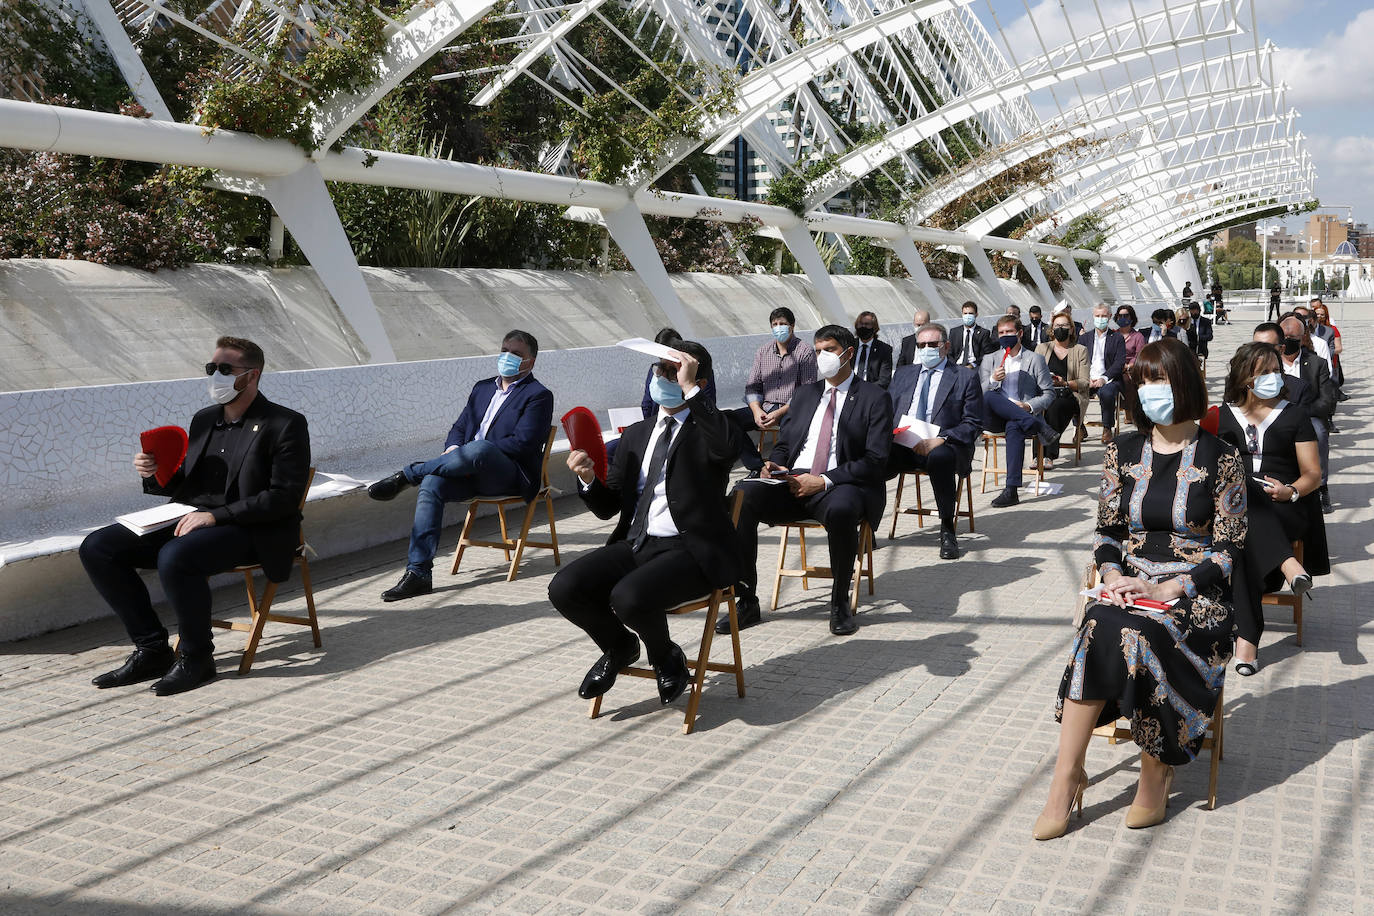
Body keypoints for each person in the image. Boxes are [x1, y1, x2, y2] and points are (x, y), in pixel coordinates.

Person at [1034, 338, 1246, 840]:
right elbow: (1107, 532)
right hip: (1128, 583)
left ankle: (1156, 769)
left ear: (1185, 385)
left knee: (1138, 631)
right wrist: (1111, 577)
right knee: (1102, 622)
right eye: (1145, 381)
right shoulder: (1121, 451)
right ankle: (1066, 777)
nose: (1152, 391)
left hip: (1196, 596)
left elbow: (1229, 548)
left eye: (1162, 380)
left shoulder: (1223, 457)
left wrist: (1176, 586)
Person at [79, 337, 311, 696]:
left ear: (252, 376)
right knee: (98, 547)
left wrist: (217, 517)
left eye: (224, 369)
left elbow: (284, 498)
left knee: (177, 555)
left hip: (251, 527)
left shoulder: (284, 424)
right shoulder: (204, 420)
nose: (214, 375)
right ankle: (153, 649)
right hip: (192, 517)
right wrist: (152, 472)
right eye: (210, 368)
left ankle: (197, 657)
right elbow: (185, 485)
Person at [549, 342, 743, 706]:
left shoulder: (711, 427)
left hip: (692, 551)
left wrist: (691, 390)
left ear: (696, 378)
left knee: (628, 597)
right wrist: (589, 478)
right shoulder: (636, 434)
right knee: (565, 587)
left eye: (674, 371)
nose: (662, 377)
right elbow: (609, 508)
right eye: (660, 369)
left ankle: (664, 656)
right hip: (638, 543)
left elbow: (728, 449)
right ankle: (620, 645)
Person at [728, 325, 893, 637]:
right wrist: (774, 462)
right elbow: (787, 445)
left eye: (829, 350)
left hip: (841, 484)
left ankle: (839, 602)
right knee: (742, 495)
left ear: (848, 353)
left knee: (843, 510)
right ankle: (746, 599)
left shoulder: (875, 397)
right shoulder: (806, 394)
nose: (822, 357)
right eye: (818, 351)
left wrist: (825, 480)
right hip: (792, 481)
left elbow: (875, 461)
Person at [368, 330, 554, 600]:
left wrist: (475, 452)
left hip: (507, 474)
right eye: (504, 350)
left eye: (516, 354)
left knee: (480, 448)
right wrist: (455, 450)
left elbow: (522, 444)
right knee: (432, 483)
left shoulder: (538, 395)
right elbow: (459, 427)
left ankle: (407, 475)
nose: (507, 357)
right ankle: (419, 573)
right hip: (466, 470)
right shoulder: (482, 388)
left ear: (531, 362)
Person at [1216, 343, 1326, 675]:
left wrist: (1291, 491)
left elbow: (1313, 474)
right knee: (1244, 492)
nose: (1273, 378)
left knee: (1246, 521)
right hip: (1234, 507)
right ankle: (1288, 565)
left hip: (1285, 506)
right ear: (1245, 377)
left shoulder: (1294, 413)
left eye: (1276, 371)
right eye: (1264, 372)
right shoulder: (1220, 415)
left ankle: (1246, 642)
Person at [887, 323, 984, 559]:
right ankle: (867, 525)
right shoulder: (903, 374)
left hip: (944, 445)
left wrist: (942, 438)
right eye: (922, 345)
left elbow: (973, 423)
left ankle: (947, 527)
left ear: (946, 346)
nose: (926, 349)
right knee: (870, 456)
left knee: (940, 458)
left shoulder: (965, 376)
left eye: (933, 344)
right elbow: (886, 411)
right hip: (904, 442)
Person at [979, 315, 1058, 508]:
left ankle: (1011, 490)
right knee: (990, 396)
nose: (1005, 336)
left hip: (1022, 417)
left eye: (1009, 332)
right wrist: (991, 381)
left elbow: (1049, 393)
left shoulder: (1035, 359)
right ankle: (1040, 426)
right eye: (1001, 333)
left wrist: (1029, 406)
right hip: (994, 417)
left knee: (1014, 426)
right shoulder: (990, 360)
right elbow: (977, 394)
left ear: (1020, 333)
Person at [734, 307, 818, 470]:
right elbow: (752, 386)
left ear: (792, 326)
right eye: (775, 324)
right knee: (728, 421)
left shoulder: (805, 351)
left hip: (791, 409)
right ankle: (757, 467)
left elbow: (806, 391)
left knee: (791, 432)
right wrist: (757, 411)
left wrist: (779, 412)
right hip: (765, 407)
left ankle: (778, 468)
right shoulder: (763, 351)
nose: (778, 327)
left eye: (783, 324)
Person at [1276, 313, 1337, 513]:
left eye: (1292, 338)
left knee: (1319, 433)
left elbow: (1327, 400)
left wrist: (1299, 413)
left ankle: (1321, 486)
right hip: (1274, 413)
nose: (1286, 343)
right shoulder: (1270, 363)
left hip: (1307, 415)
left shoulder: (1316, 363)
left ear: (1302, 339)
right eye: (1283, 337)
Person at [1035, 311, 1088, 468]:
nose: (1060, 328)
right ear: (1052, 329)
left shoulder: (1080, 350)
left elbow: (1084, 382)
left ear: (1071, 329)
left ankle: (1047, 455)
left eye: (1064, 325)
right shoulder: (1041, 348)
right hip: (1045, 393)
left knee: (1055, 406)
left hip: (1070, 395)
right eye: (1057, 326)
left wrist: (1064, 383)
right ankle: (1038, 455)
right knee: (1038, 406)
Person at [639, 327, 715, 417]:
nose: (663, 376)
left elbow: (709, 404)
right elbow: (647, 404)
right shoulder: (655, 370)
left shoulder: (698, 369)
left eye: (673, 372)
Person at [1080, 304, 1127, 443]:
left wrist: (1104, 378)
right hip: (1087, 378)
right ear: (1093, 317)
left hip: (1109, 379)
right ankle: (1080, 427)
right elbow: (1078, 361)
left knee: (1107, 393)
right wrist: (1086, 378)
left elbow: (1119, 362)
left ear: (1110, 317)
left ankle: (1107, 427)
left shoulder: (1117, 338)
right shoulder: (1084, 338)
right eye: (1097, 316)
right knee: (1073, 394)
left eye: (1104, 316)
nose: (1100, 319)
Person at [853, 311, 894, 389]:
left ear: (874, 328)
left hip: (870, 390)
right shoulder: (849, 345)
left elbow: (884, 379)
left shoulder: (884, 349)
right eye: (860, 324)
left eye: (867, 324)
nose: (863, 327)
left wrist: (865, 389)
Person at [950, 301, 995, 370]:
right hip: (956, 366)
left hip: (974, 367)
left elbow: (986, 354)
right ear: (962, 314)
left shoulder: (984, 333)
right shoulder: (954, 332)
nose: (967, 316)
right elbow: (949, 353)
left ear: (976, 314)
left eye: (970, 313)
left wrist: (973, 365)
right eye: (965, 313)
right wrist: (954, 365)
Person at [1312, 302, 1344, 387]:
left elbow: (1339, 348)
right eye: (1317, 314)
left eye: (1322, 315)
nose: (1319, 316)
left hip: (1331, 361)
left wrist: (1326, 353)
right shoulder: (1309, 329)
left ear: (1326, 316)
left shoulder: (1332, 329)